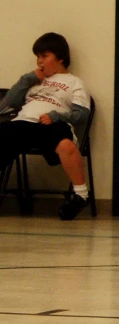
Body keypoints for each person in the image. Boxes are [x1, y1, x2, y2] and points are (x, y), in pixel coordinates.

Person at [0, 32, 91, 220]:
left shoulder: (75, 82)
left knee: (66, 145)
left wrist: (55, 115)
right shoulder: (33, 81)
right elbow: (6, 106)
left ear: (61, 57)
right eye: (37, 57)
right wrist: (27, 80)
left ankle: (81, 195)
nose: (39, 62)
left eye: (44, 56)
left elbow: (81, 114)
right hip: (23, 122)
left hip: (52, 123)